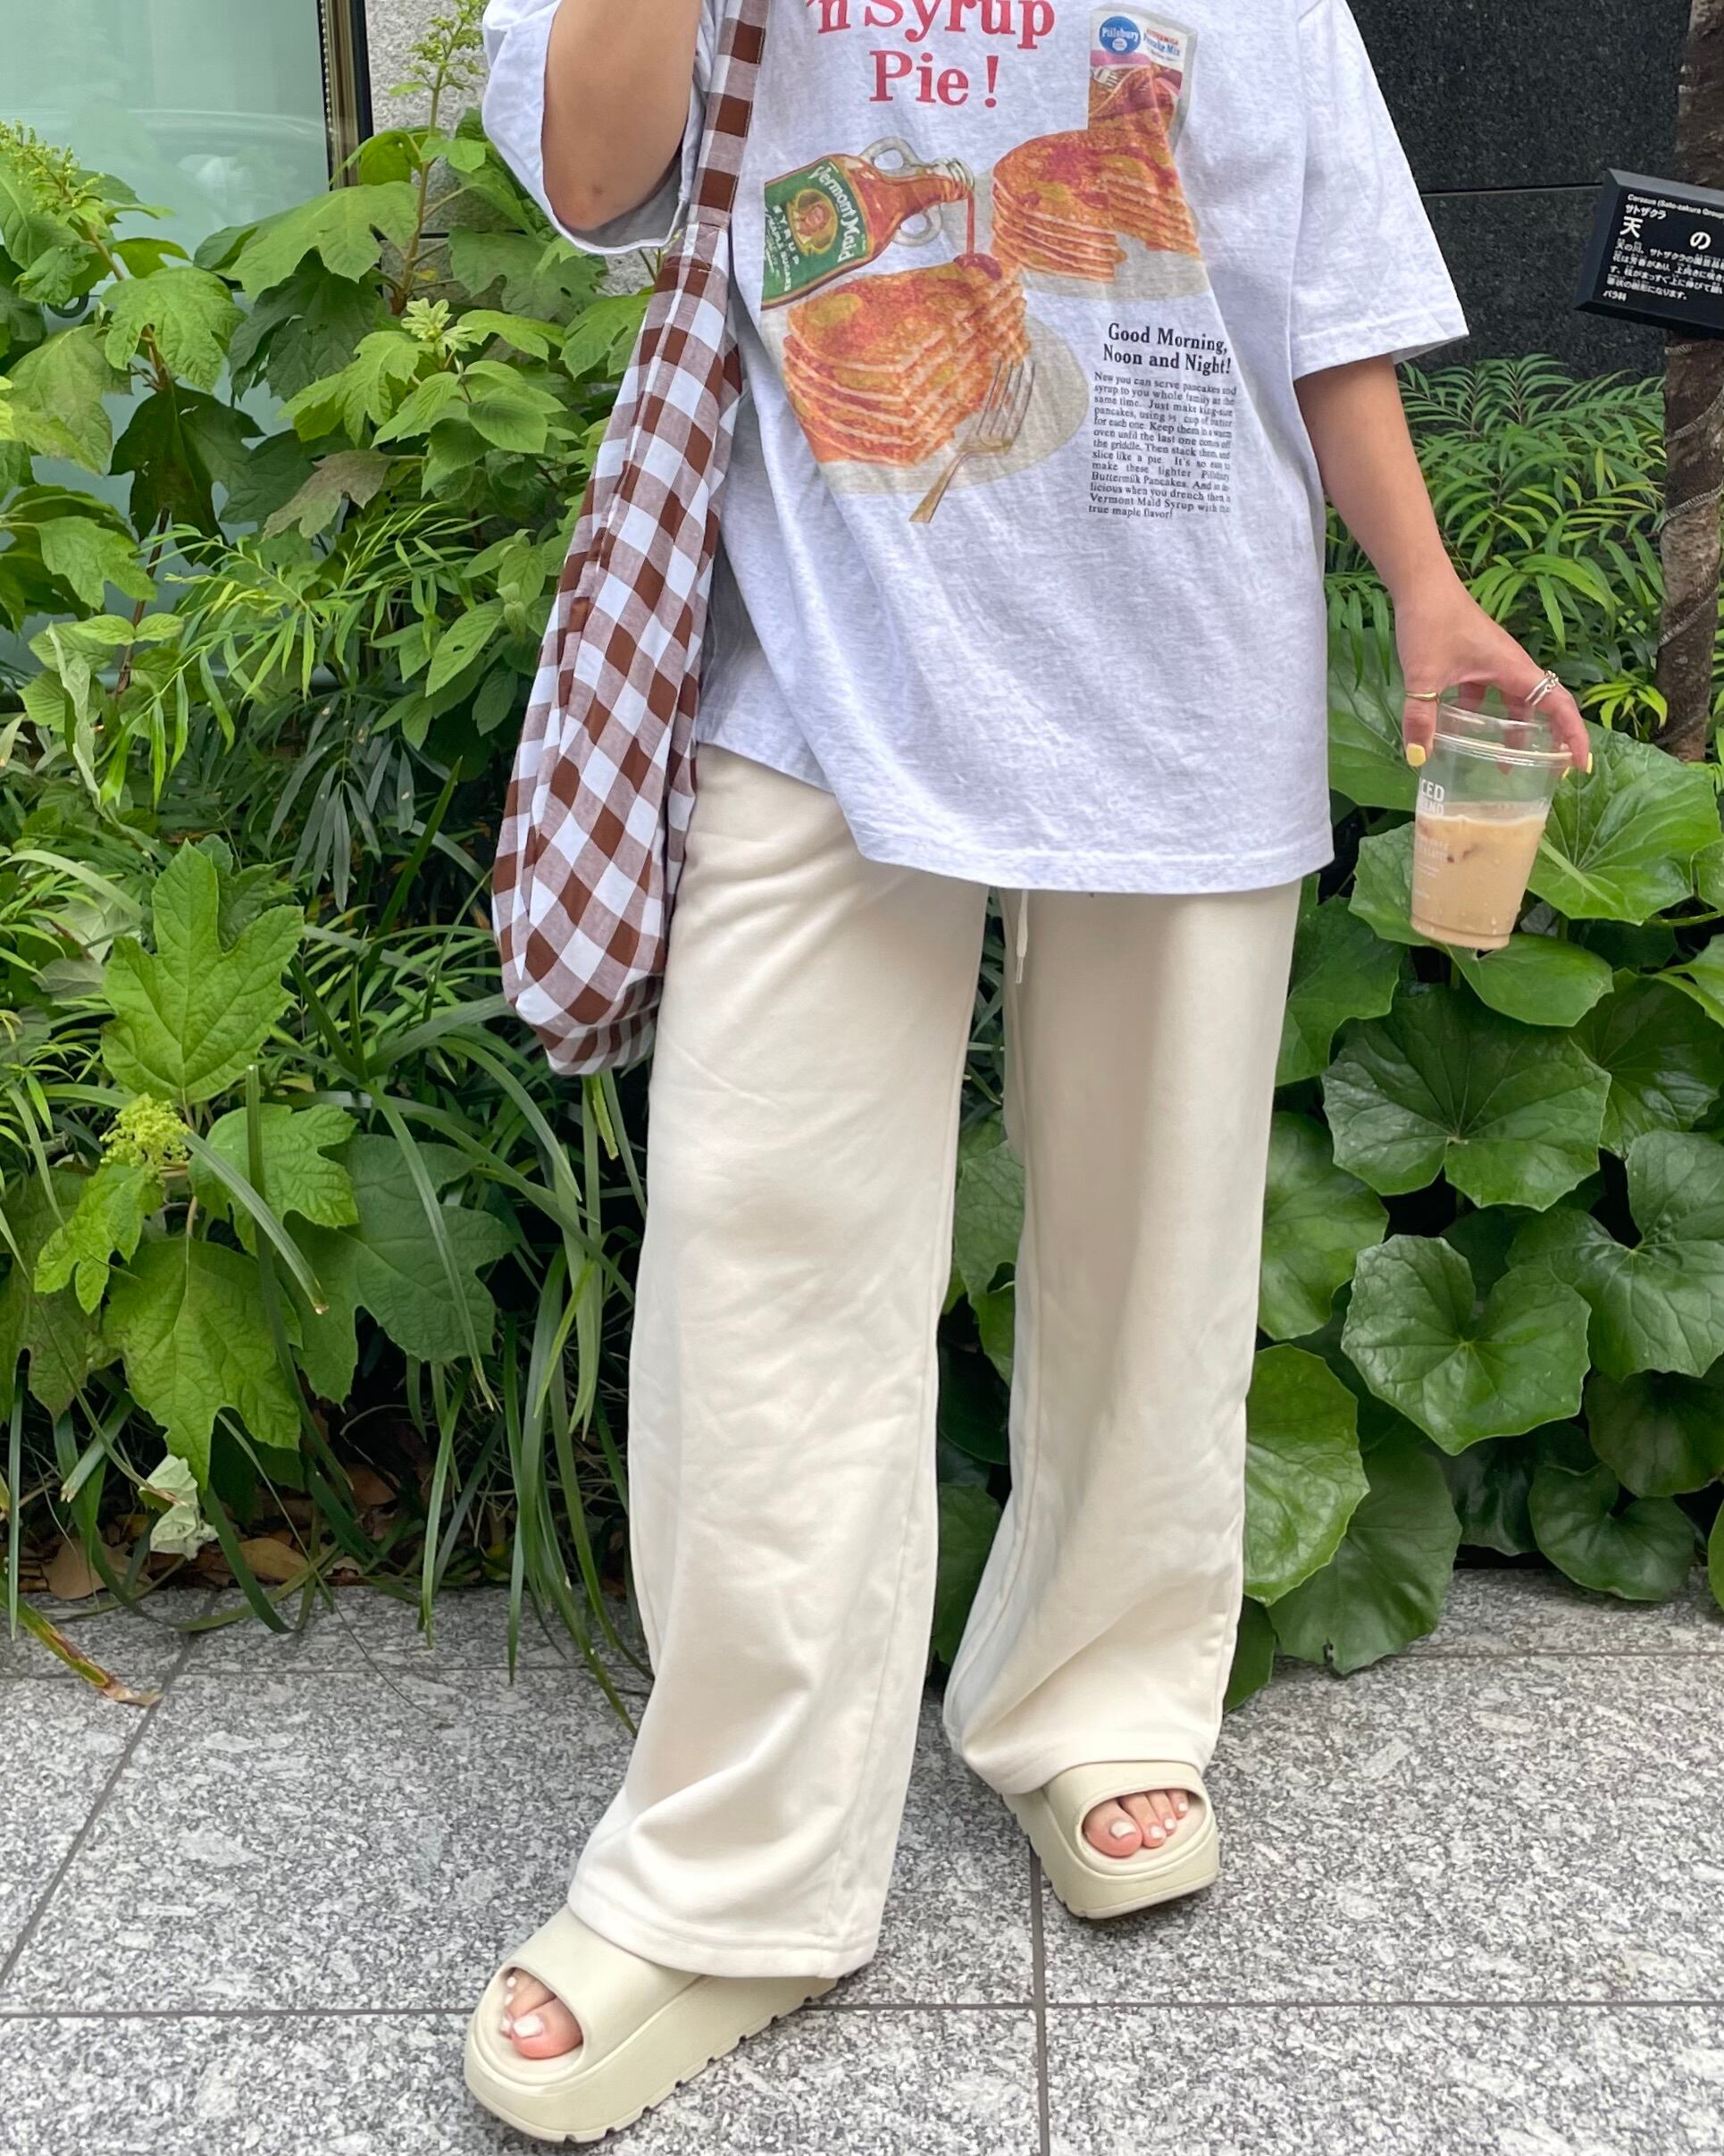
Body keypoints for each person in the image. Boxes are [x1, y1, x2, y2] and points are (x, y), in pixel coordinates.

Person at [465, 0, 1591, 2138]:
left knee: (1154, 1236)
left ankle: (1095, 1697)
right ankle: (732, 1865)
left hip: (1181, 648)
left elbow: (1307, 266)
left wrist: (1426, 590)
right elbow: (598, 175)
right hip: (818, 646)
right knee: (757, 1249)